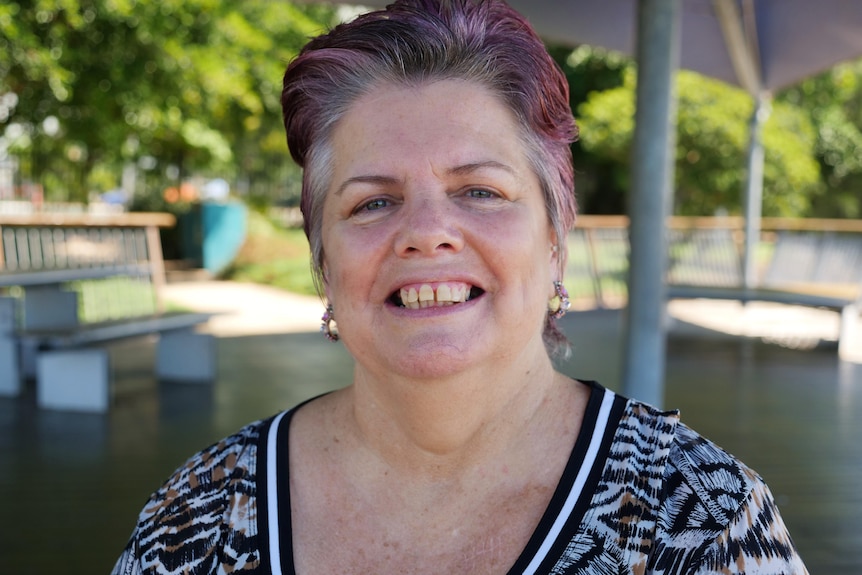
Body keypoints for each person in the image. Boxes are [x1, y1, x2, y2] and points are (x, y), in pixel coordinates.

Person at [112, 0, 808, 573]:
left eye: (479, 190)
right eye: (373, 202)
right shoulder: (198, 515)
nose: (427, 231)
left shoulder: (702, 522)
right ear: (324, 261)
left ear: (555, 238)